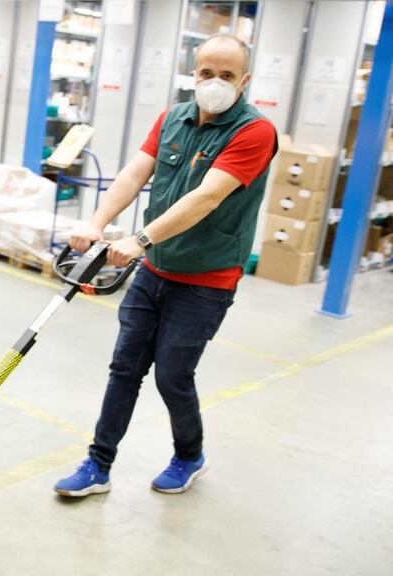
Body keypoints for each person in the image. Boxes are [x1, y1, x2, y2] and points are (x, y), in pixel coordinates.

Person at [54, 34, 278, 497]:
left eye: (227, 75)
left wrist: (139, 238)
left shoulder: (253, 132)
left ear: (245, 81)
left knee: (172, 375)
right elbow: (136, 174)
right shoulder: (172, 118)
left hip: (207, 280)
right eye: (205, 73)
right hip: (155, 269)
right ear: (193, 74)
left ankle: (189, 455)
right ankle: (98, 466)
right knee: (124, 368)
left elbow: (207, 197)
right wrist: (96, 223)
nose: (214, 83)